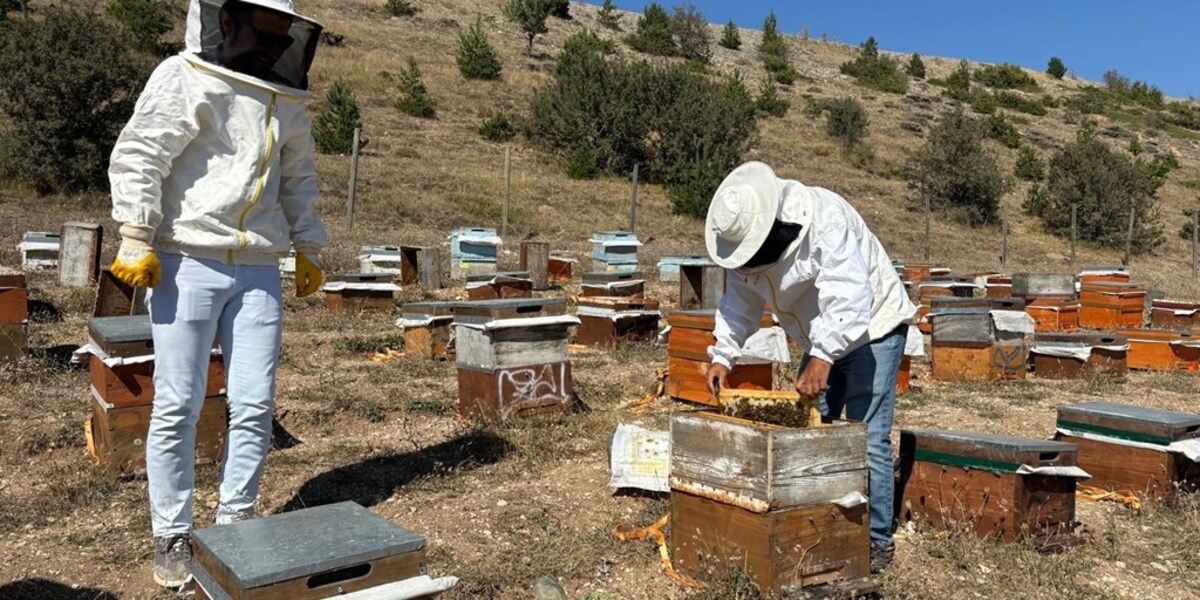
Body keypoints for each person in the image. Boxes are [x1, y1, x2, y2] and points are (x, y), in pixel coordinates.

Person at [107, 0, 326, 588]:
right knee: (178, 404)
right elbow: (142, 153)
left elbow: (298, 177)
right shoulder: (184, 76)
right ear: (228, 22)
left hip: (259, 267)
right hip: (187, 259)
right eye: (265, 33)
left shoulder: (284, 98)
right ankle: (172, 532)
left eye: (283, 37)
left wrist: (308, 245)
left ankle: (235, 524)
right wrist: (135, 233)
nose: (274, 47)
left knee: (254, 404)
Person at [702, 162, 915, 572]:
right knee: (815, 432)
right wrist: (723, 355)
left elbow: (848, 293)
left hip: (875, 324)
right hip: (823, 335)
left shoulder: (825, 218)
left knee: (866, 436)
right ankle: (825, 523)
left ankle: (876, 541)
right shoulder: (747, 246)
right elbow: (738, 303)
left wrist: (823, 356)